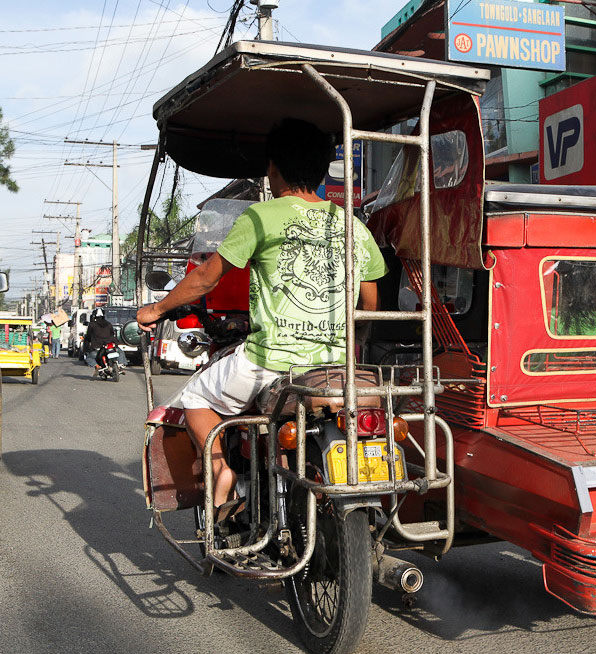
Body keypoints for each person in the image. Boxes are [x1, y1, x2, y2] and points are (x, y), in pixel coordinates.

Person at [136, 118, 387, 518]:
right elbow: (369, 302)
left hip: (270, 363)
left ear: (273, 169)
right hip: (338, 365)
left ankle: (220, 472)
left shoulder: (261, 217)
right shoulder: (353, 225)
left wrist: (156, 308)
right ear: (324, 169)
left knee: (196, 398)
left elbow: (204, 278)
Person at [84, 308, 115, 373]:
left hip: (97, 347)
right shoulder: (109, 324)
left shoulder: (92, 325)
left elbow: (88, 335)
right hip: (109, 345)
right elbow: (112, 334)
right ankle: (120, 366)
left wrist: (87, 345)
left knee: (89, 358)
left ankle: (97, 366)